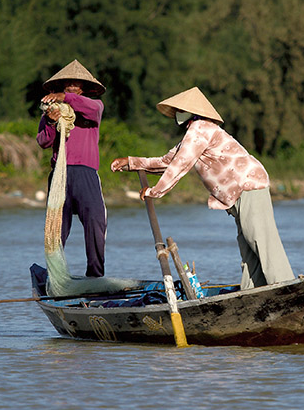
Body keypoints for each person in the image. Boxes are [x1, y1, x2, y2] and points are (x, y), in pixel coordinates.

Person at [110, 86, 294, 289]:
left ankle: (285, 287)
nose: (177, 115)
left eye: (181, 110)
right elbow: (167, 162)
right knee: (248, 246)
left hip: (248, 184)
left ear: (193, 112)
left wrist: (155, 191)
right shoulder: (192, 135)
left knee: (261, 240)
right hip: (239, 193)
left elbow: (180, 165)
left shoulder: (201, 129)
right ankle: (255, 291)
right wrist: (130, 162)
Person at [37, 59, 107, 278]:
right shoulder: (52, 111)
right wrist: (50, 122)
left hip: (85, 173)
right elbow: (43, 141)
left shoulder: (93, 106)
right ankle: (56, 276)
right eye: (68, 83)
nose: (72, 86)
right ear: (62, 84)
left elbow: (92, 109)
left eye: (76, 84)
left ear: (83, 87)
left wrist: (66, 98)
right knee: (56, 228)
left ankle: (95, 275)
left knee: (95, 221)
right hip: (60, 174)